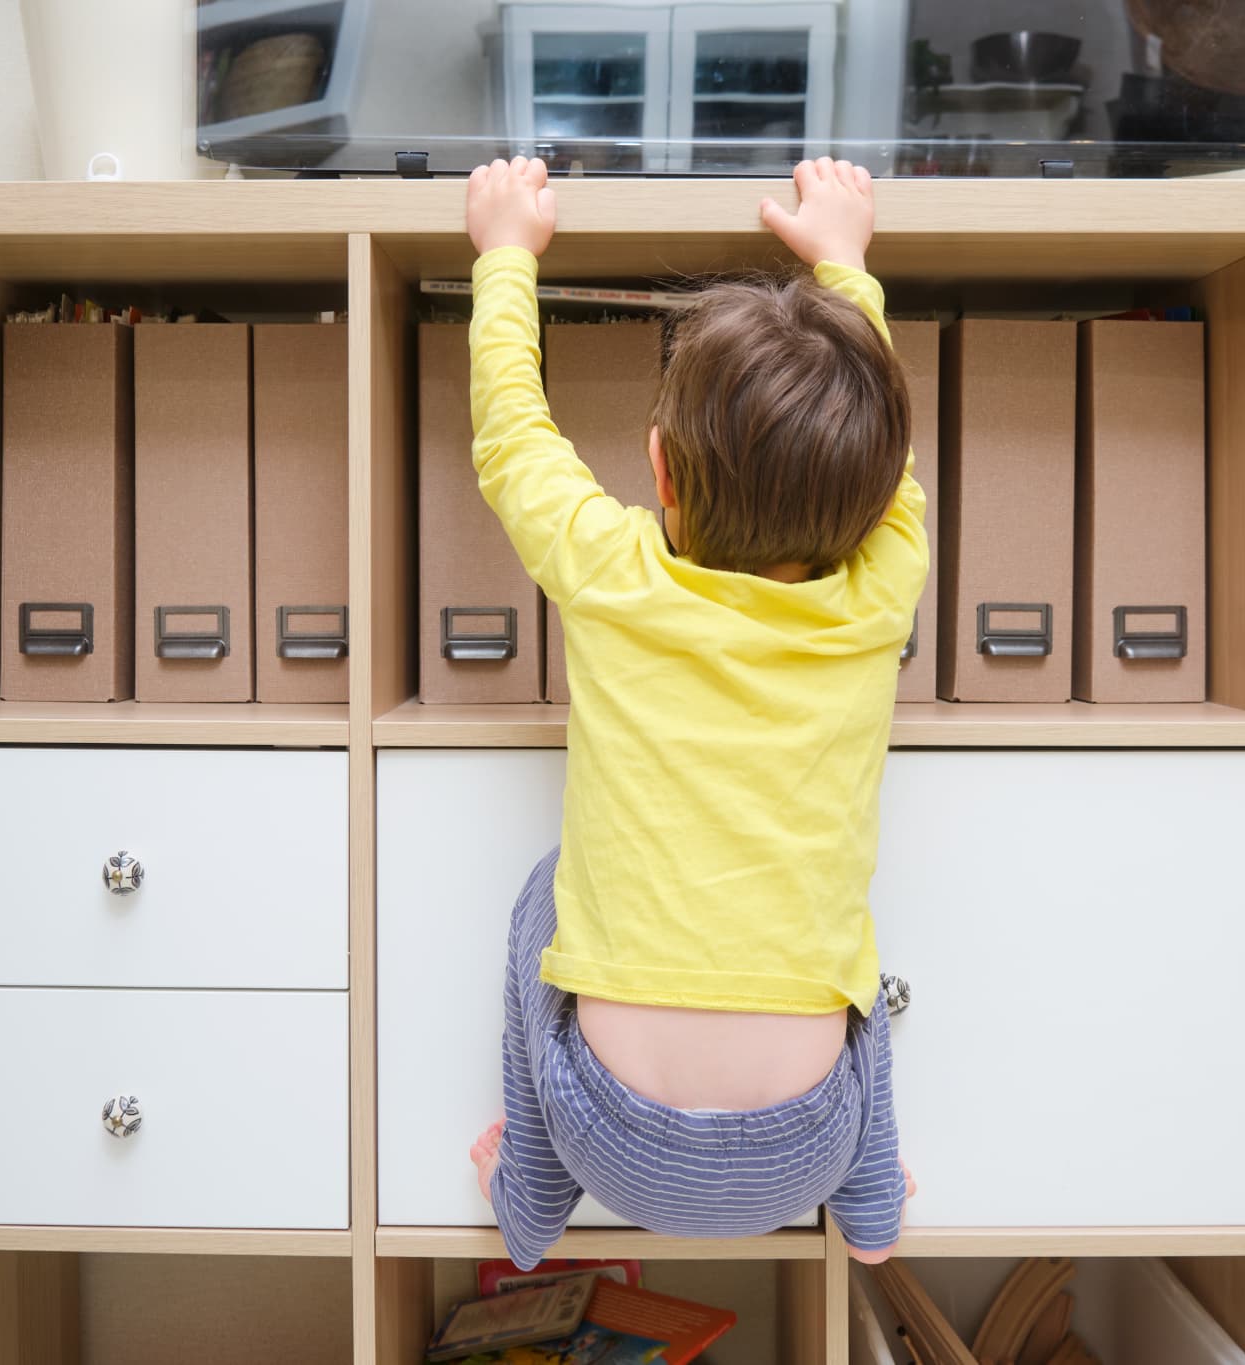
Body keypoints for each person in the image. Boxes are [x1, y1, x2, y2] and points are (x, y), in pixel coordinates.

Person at [462, 154, 922, 1268]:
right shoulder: (881, 593)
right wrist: (846, 262)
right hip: (810, 1146)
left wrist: (506, 258)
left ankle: (530, 1195)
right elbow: (896, 466)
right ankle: (870, 1212)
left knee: (544, 895)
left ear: (660, 472)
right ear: (875, 498)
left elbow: (514, 441)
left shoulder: (613, 572)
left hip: (605, 1139)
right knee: (847, 938)